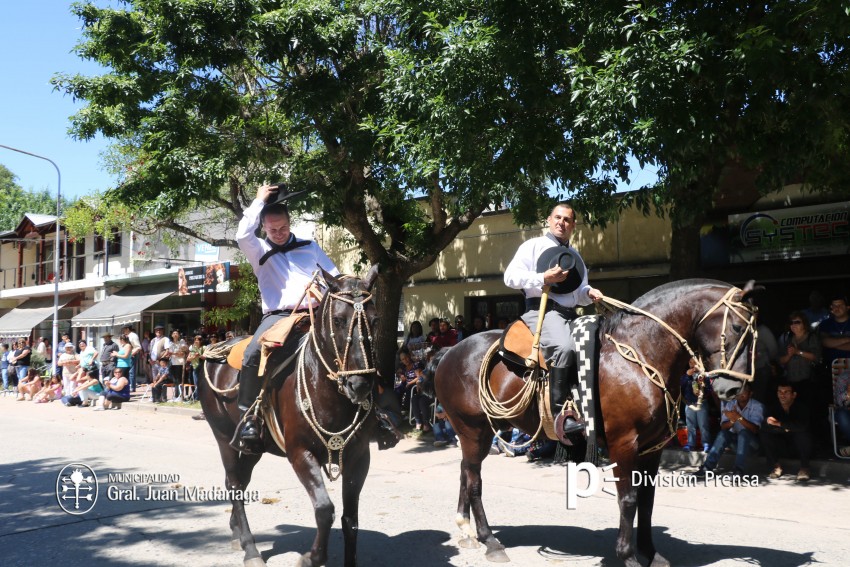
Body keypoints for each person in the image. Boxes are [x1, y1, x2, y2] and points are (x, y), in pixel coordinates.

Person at [232, 182, 340, 453]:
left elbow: (334, 276)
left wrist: (332, 289)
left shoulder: (310, 246)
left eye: (283, 228)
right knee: (253, 353)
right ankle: (249, 418)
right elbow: (242, 234)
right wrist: (258, 201)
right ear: (264, 228)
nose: (279, 234)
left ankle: (378, 411)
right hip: (279, 316)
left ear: (290, 224)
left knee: (356, 341)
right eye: (272, 229)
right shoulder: (257, 250)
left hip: (319, 312)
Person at [504, 202, 603, 437]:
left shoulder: (575, 256)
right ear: (549, 220)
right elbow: (510, 277)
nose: (562, 223)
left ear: (573, 225)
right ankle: (561, 416)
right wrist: (542, 277)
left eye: (567, 220)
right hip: (542, 310)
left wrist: (588, 293)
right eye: (558, 218)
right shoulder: (533, 246)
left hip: (570, 314)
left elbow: (578, 293)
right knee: (564, 346)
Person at [693, 383, 764, 478]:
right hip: (736, 443)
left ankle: (738, 470)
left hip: (752, 445)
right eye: (739, 391)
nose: (741, 394)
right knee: (723, 434)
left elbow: (755, 429)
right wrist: (732, 420)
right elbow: (723, 427)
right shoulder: (731, 404)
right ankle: (707, 468)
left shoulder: (757, 406)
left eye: (744, 391)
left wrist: (739, 417)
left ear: (750, 393)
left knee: (744, 433)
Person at [761, 382, 814, 481]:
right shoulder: (773, 407)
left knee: (803, 434)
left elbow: (802, 426)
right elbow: (766, 426)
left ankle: (804, 468)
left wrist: (779, 424)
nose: (782, 395)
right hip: (782, 445)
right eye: (780, 392)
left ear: (794, 395)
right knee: (765, 434)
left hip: (799, 446)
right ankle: (776, 466)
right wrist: (786, 428)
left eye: (786, 392)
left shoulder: (801, 407)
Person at [777, 311, 821, 404]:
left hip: (808, 382)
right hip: (791, 382)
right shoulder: (788, 339)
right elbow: (781, 361)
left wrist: (798, 352)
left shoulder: (811, 337)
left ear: (804, 324)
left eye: (797, 322)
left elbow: (816, 357)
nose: (793, 325)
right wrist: (789, 355)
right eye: (791, 323)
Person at [680, 372, 712, 452]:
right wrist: (687, 375)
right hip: (689, 403)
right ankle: (691, 444)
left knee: (703, 424)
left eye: (694, 362)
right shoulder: (686, 376)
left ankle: (706, 443)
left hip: (702, 402)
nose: (692, 364)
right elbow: (681, 385)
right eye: (690, 362)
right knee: (690, 424)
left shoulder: (704, 375)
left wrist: (703, 382)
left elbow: (710, 389)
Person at [819, 296, 850, 369]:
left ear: (847, 308)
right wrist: (847, 339)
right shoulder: (825, 323)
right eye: (834, 306)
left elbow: (828, 343)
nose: (837, 308)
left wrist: (833, 344)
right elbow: (824, 341)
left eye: (840, 305)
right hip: (831, 366)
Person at [165, 330, 187, 401]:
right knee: (175, 380)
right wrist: (174, 353)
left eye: (176, 333)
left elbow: (182, 353)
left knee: (179, 380)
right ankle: (176, 395)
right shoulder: (170, 343)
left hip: (179, 363)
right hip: (172, 363)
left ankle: (180, 395)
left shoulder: (181, 342)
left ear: (179, 335)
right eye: (173, 333)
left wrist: (173, 353)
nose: (175, 335)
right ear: (171, 335)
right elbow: (169, 353)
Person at [122, 325, 142, 392]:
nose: (123, 331)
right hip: (125, 356)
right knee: (126, 371)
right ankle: (127, 385)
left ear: (128, 329)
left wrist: (131, 354)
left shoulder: (133, 335)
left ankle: (132, 387)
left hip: (131, 356)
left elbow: (138, 347)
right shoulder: (125, 336)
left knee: (131, 372)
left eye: (124, 329)